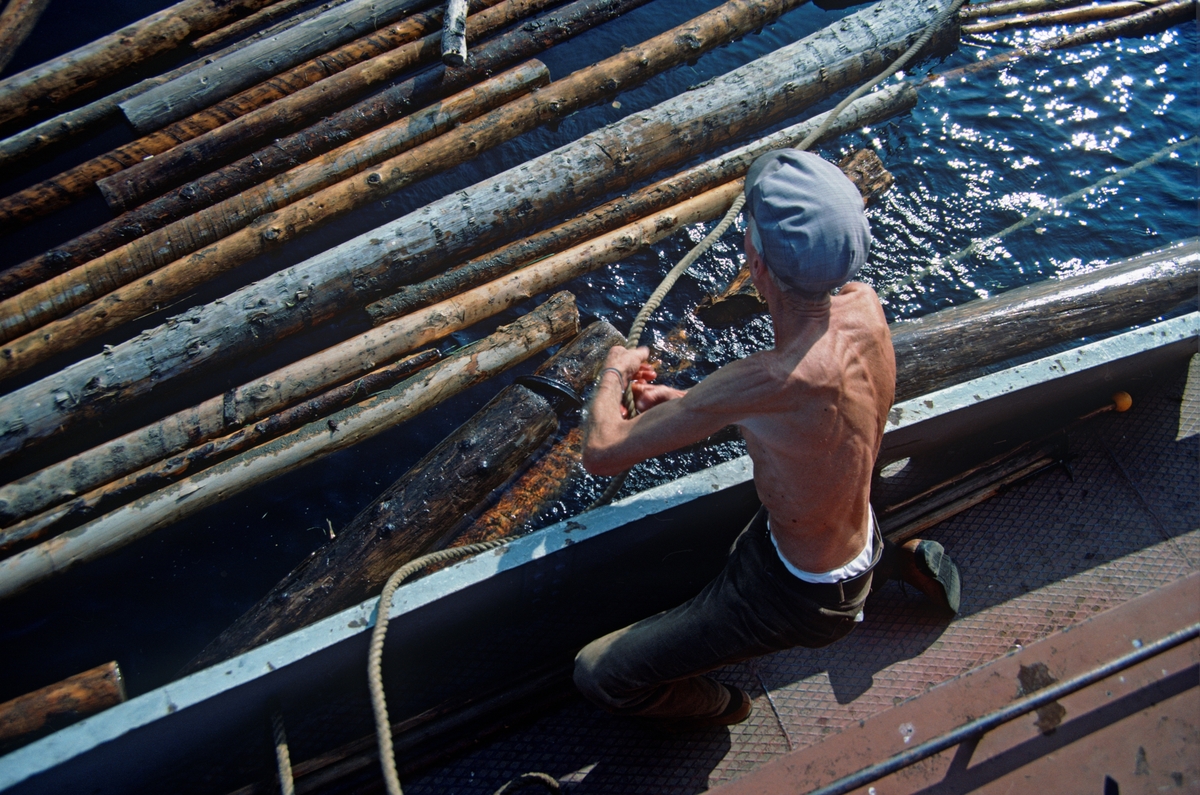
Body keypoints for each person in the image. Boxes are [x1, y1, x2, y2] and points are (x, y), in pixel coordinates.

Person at [574, 149, 961, 730]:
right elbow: (801, 419)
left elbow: (601, 451)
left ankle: (727, 708)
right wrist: (687, 405)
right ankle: (894, 565)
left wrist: (614, 369)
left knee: (600, 673)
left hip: (800, 596)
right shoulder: (864, 308)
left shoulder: (768, 379)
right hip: (851, 530)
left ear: (754, 260)